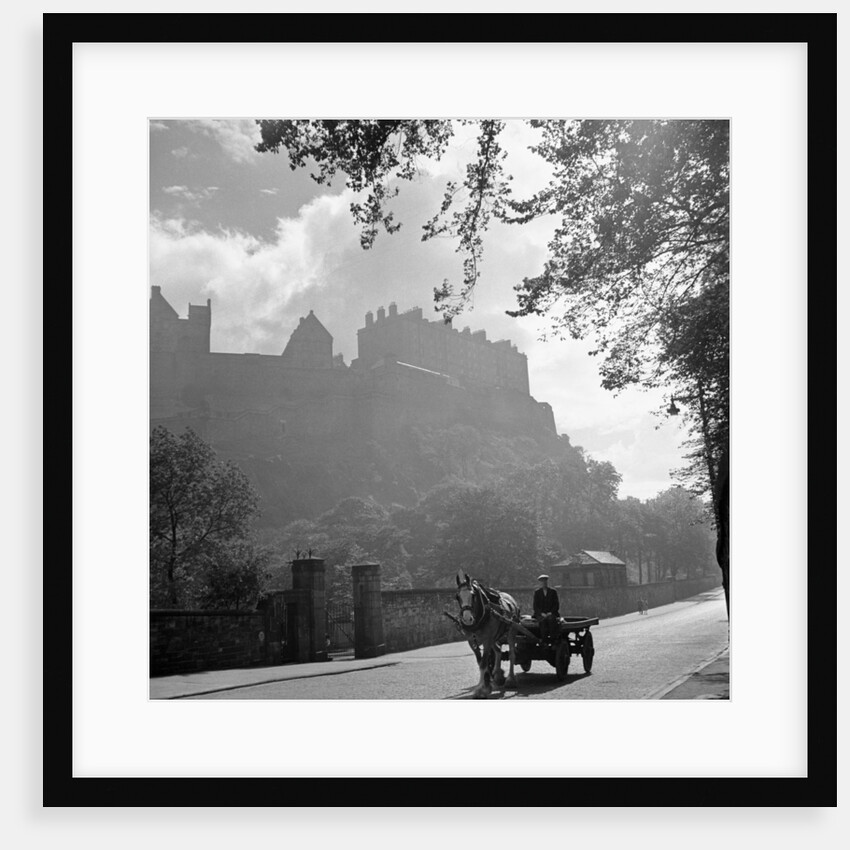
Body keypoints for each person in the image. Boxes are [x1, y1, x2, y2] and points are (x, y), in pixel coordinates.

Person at [533, 574, 560, 644]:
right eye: (542, 582)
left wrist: (550, 613)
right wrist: (541, 613)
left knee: (551, 620)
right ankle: (544, 640)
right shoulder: (537, 592)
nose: (543, 583)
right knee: (542, 621)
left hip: (551, 613)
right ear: (540, 583)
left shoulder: (553, 592)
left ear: (547, 582)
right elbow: (535, 606)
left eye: (545, 581)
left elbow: (556, 604)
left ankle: (553, 638)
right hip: (541, 614)